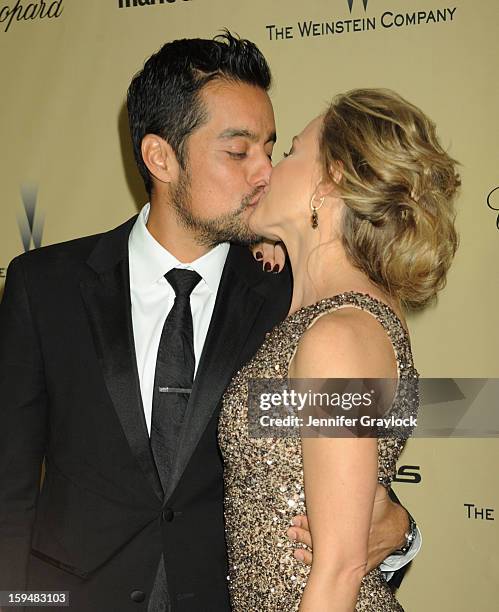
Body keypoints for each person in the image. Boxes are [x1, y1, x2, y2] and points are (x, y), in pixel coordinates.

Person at [0, 36, 417, 612]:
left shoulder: (293, 301)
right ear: (160, 158)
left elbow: (346, 487)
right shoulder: (44, 286)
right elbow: (9, 484)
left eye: (272, 148)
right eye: (238, 151)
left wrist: (400, 534)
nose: (265, 172)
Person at [219, 88, 460, 610]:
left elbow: (341, 567)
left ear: (331, 181)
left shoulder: (338, 336)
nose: (265, 169)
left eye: (289, 152)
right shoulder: (327, 317)